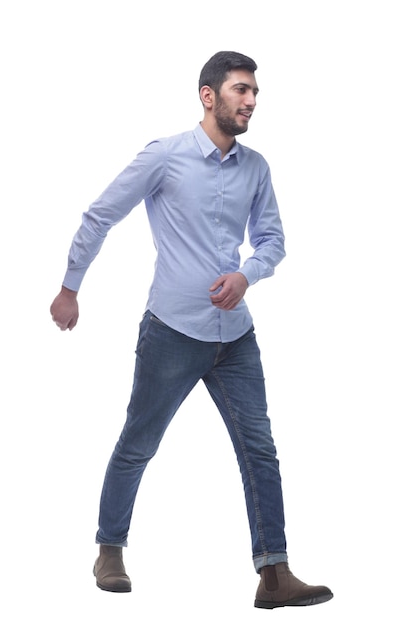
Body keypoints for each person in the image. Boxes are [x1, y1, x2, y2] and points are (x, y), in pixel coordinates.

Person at [50, 51, 333, 609]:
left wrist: (247, 275)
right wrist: (69, 287)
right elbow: (100, 214)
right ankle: (109, 548)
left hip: (236, 338)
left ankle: (273, 574)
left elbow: (273, 240)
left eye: (254, 92)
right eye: (240, 90)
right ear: (209, 96)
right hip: (173, 334)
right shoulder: (166, 156)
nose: (250, 100)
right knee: (138, 445)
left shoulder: (257, 167)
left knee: (260, 450)